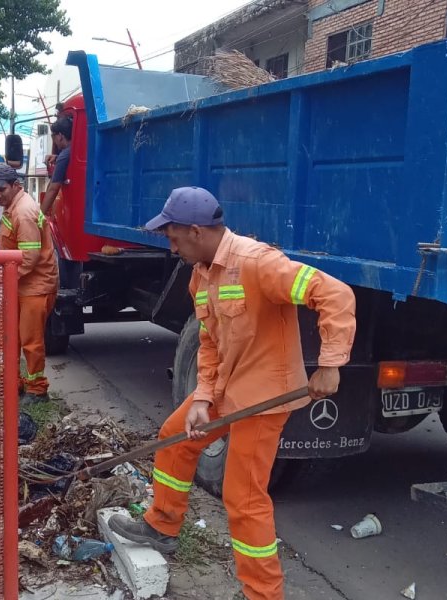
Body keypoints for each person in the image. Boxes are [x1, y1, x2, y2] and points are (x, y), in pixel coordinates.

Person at [108, 187, 356, 600]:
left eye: (173, 238)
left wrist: (331, 364)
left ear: (196, 230)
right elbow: (209, 340)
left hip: (263, 396)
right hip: (226, 385)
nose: (171, 247)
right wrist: (203, 397)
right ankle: (162, 525)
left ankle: (262, 593)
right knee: (174, 438)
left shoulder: (258, 263)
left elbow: (335, 295)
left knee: (243, 497)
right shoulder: (199, 275)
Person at [0, 164, 59, 404]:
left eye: (1, 189)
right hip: (21, 285)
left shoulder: (23, 211)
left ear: (15, 186)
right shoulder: (13, 206)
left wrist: (3, 278)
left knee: (30, 340)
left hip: (35, 287)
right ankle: (13, 383)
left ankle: (37, 390)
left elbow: (29, 258)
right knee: (10, 337)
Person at [40, 117, 72, 215]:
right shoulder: (71, 151)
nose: (53, 140)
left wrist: (39, 218)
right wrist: (57, 158)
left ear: (60, 136)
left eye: (53, 136)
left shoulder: (64, 155)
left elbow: (53, 189)